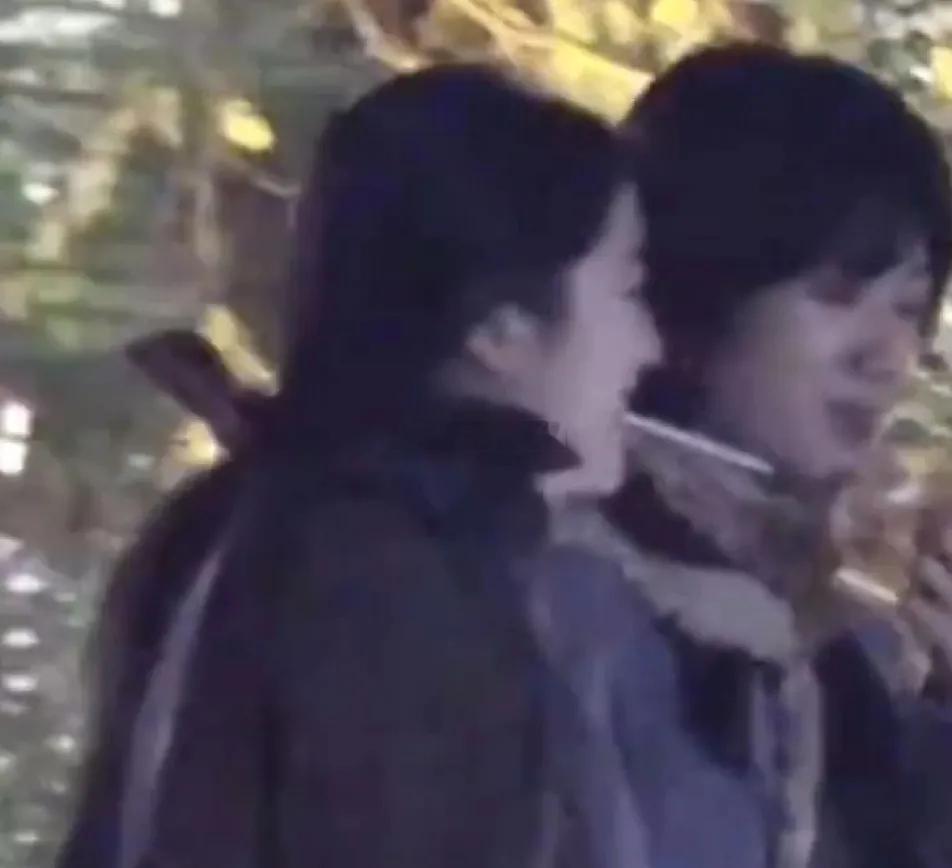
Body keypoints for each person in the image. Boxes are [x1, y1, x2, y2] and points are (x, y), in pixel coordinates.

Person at [56, 64, 661, 868]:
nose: (648, 347)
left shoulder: (244, 517)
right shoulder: (384, 579)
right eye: (628, 291)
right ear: (500, 331)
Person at [528, 44, 952, 868]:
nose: (887, 355)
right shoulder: (571, 586)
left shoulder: (853, 647)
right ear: (704, 288)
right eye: (836, 295)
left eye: (909, 310)